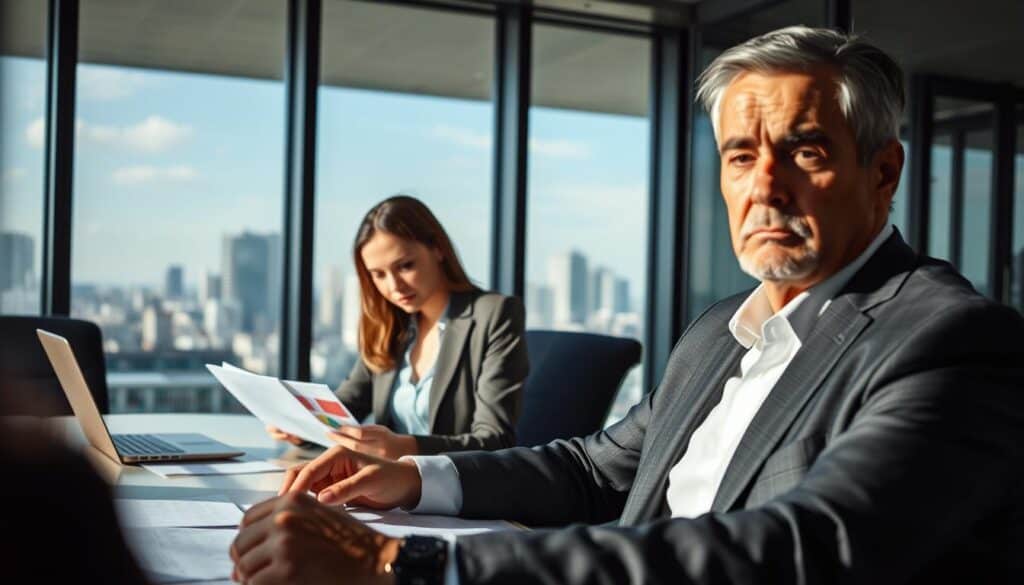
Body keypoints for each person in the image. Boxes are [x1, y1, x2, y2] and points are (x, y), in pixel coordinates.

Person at [231, 27, 1024, 584]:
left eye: (805, 151)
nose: (764, 187)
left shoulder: (949, 338)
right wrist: (410, 478)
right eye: (740, 155)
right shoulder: (721, 329)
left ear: (883, 172)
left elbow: (808, 548)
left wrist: (400, 563)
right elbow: (590, 469)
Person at [269, 195, 528, 459]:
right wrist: (302, 427)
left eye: (405, 266)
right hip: (382, 488)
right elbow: (347, 407)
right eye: (378, 274)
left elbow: (495, 440)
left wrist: (405, 448)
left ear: (438, 248)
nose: (394, 287)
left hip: (451, 490)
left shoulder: (494, 314)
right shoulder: (391, 324)